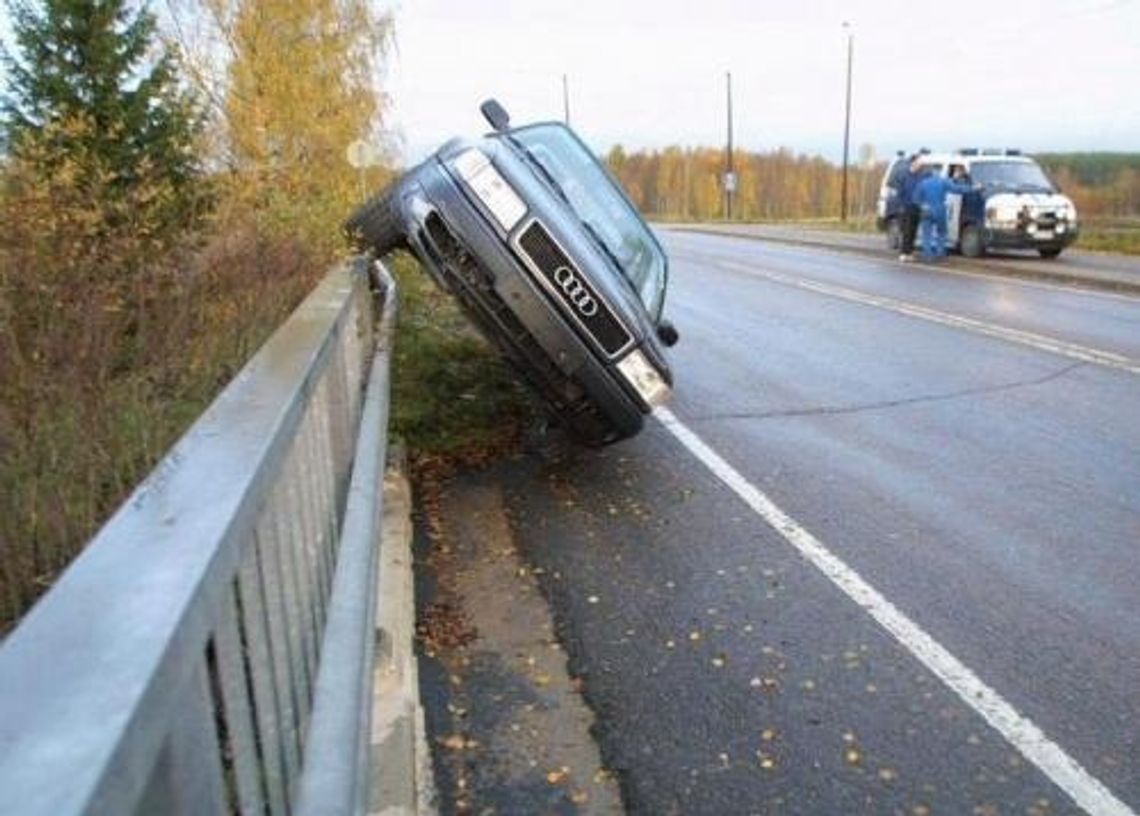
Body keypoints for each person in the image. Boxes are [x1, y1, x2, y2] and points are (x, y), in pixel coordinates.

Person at [912, 170, 973, 261]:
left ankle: (928, 256)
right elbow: (957, 189)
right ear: (938, 175)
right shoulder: (942, 181)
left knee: (927, 234)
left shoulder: (922, 183)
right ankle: (940, 254)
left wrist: (922, 206)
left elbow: (915, 199)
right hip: (940, 209)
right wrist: (973, 188)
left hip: (926, 210)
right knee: (942, 232)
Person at [896, 154, 924, 262]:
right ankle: (903, 252)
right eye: (918, 162)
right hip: (906, 206)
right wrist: (901, 205)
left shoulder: (919, 176)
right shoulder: (904, 176)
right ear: (913, 162)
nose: (920, 164)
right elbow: (900, 192)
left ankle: (910, 252)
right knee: (906, 230)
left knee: (914, 231)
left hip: (916, 207)